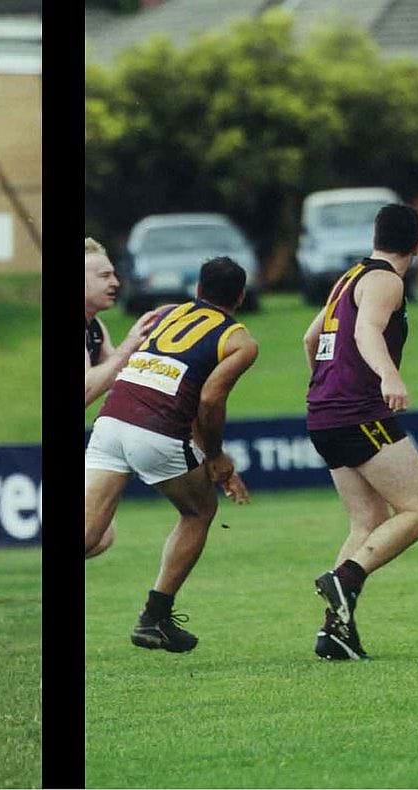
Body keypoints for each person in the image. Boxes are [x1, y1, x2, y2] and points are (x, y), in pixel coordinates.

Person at [85, 256, 257, 653]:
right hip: (157, 432)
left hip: (111, 421)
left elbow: (176, 382)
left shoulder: (165, 313)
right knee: (199, 512)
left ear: (197, 290)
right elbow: (209, 399)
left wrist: (211, 455)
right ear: (241, 297)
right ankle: (154, 618)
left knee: (88, 534)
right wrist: (215, 457)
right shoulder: (240, 341)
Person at [302, 203, 418, 661]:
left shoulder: (350, 276)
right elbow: (366, 332)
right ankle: (345, 578)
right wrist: (388, 377)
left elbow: (310, 338)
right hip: (359, 412)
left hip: (324, 413)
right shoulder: (386, 280)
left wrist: (323, 385)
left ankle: (334, 632)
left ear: (376, 236)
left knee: (368, 521)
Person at [85, 237, 160, 558]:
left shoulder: (95, 327)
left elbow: (120, 377)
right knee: (94, 534)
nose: (115, 282)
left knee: (99, 535)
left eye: (113, 274)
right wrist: (130, 346)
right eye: (103, 276)